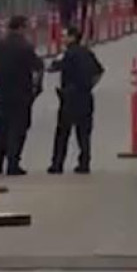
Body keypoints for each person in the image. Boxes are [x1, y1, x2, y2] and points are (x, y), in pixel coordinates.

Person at [0, 15, 44, 176]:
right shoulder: (25, 47)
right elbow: (38, 68)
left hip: (3, 92)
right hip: (22, 92)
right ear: (22, 27)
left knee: (2, 128)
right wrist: (36, 88)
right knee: (19, 128)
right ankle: (13, 163)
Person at [49, 26, 105, 174]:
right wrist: (90, 85)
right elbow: (99, 72)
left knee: (63, 132)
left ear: (73, 37)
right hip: (85, 95)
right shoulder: (87, 52)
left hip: (69, 96)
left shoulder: (68, 54)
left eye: (65, 36)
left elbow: (54, 67)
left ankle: (57, 164)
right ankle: (84, 163)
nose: (62, 39)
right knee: (84, 133)